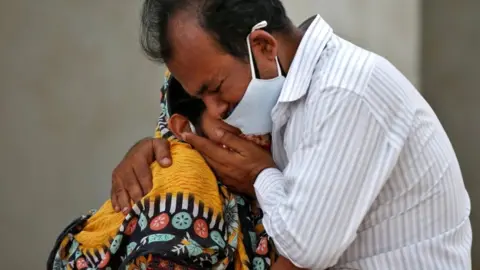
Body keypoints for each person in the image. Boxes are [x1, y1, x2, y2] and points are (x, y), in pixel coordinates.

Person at [112, 1, 472, 269]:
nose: (217, 108)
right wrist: (154, 151)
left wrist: (260, 175)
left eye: (217, 88)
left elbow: (305, 247)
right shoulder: (282, 105)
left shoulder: (345, 91)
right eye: (199, 99)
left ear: (264, 47)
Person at [47, 71, 299, 270]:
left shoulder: (284, 164)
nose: (258, 127)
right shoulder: (184, 190)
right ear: (183, 127)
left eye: (265, 104)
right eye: (231, 112)